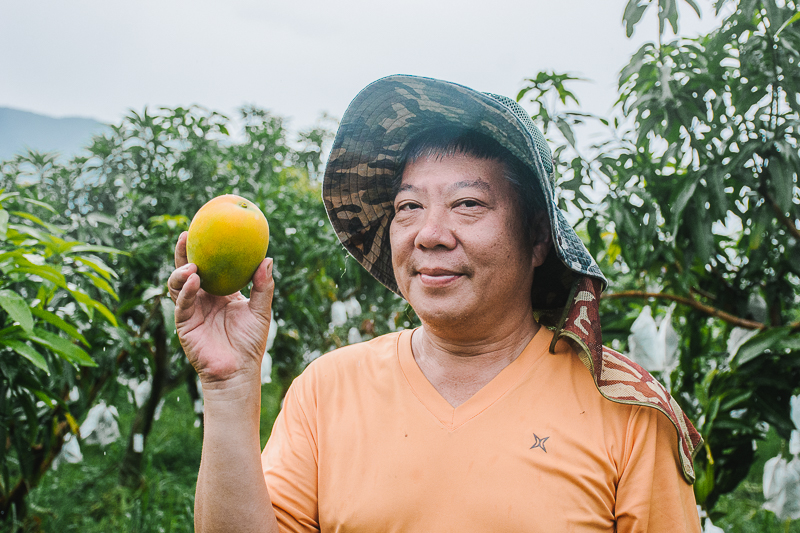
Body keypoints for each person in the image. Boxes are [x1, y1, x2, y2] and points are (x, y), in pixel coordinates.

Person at [169, 75, 703, 532]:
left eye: (468, 204)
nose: (430, 234)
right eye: (409, 206)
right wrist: (229, 387)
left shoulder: (629, 411)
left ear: (538, 237)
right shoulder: (327, 389)